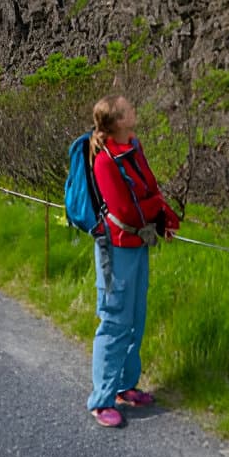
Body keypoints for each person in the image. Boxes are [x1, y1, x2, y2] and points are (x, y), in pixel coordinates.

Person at [86, 94, 179, 428]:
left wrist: (163, 216)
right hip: (115, 247)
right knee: (114, 319)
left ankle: (125, 386)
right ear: (118, 121)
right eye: (129, 108)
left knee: (135, 317)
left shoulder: (134, 148)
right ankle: (101, 400)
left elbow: (149, 189)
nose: (135, 109)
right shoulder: (105, 161)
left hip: (138, 242)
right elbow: (125, 209)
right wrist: (156, 209)